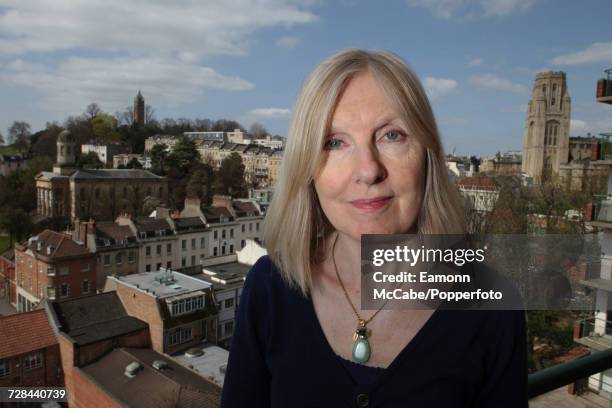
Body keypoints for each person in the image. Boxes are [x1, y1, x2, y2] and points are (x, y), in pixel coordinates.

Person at [220, 49, 528, 407]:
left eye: (392, 135)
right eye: (334, 143)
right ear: (307, 167)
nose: (368, 170)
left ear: (427, 156)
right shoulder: (270, 286)